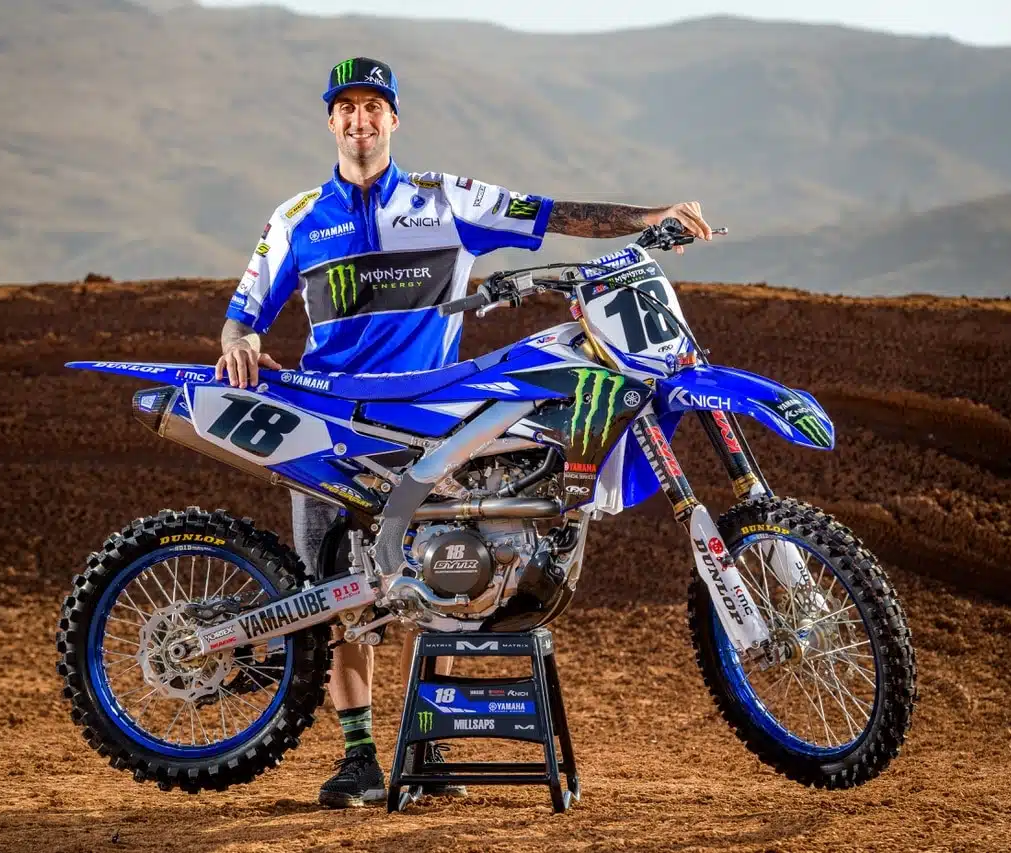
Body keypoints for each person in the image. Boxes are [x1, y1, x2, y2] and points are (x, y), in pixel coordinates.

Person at [214, 56, 712, 808]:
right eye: (346, 108)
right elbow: (241, 315)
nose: (359, 120)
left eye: (373, 107)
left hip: (432, 421)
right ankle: (358, 758)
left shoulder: (443, 199)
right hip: (330, 422)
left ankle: (430, 746)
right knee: (338, 596)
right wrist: (240, 343)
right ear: (330, 120)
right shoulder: (294, 220)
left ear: (393, 118)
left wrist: (647, 219)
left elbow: (551, 214)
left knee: (446, 575)